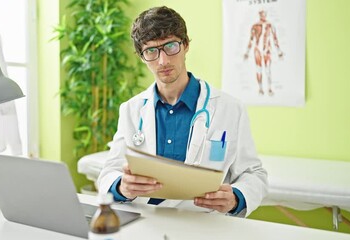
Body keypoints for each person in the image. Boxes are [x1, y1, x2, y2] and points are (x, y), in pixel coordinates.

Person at [97, 6, 267, 217]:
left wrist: (236, 198)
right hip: (146, 220)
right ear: (142, 56)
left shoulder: (230, 108)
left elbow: (254, 174)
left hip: (204, 223)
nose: (163, 61)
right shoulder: (131, 109)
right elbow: (109, 172)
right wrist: (122, 187)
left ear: (185, 45)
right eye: (151, 51)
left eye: (170, 46)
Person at [244, 10, 284, 96]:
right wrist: (247, 52)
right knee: (259, 69)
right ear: (259, 15)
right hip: (258, 50)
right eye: (261, 14)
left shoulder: (270, 25)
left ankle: (269, 88)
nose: (263, 16)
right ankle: (260, 88)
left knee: (268, 70)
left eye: (264, 14)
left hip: (267, 50)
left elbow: (275, 39)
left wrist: (279, 52)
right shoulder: (255, 26)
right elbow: (251, 39)